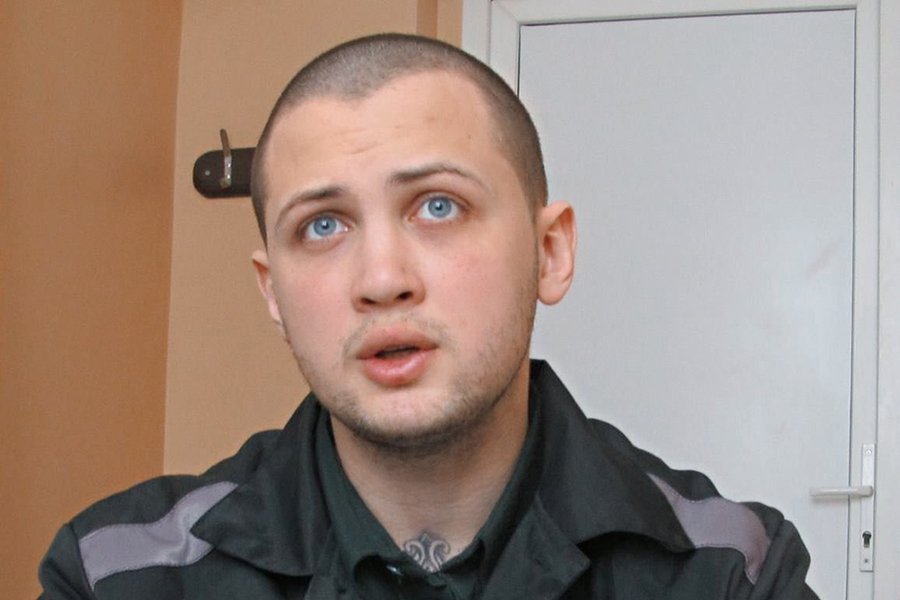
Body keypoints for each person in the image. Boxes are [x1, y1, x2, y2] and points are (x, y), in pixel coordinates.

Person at [38, 33, 818, 599]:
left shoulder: (730, 571)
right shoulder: (119, 574)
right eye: (323, 225)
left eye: (438, 206)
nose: (382, 280)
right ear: (273, 292)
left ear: (549, 253)